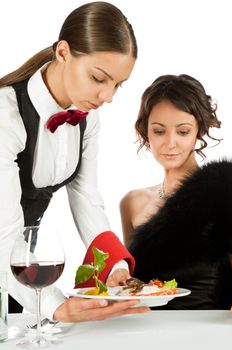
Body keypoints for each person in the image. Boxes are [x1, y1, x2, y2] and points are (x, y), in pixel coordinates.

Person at [0, 1, 150, 322]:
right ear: (64, 53)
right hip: (8, 260)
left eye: (117, 85)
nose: (108, 97)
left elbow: (87, 200)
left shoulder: (86, 120)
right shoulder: (5, 115)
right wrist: (56, 306)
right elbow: (4, 232)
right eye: (99, 78)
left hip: (14, 277)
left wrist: (116, 268)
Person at [120, 74, 232, 318]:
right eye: (159, 131)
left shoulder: (226, 188)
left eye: (183, 131)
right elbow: (131, 286)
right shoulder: (132, 203)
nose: (170, 143)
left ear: (198, 132)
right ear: (145, 132)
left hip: (211, 330)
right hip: (144, 330)